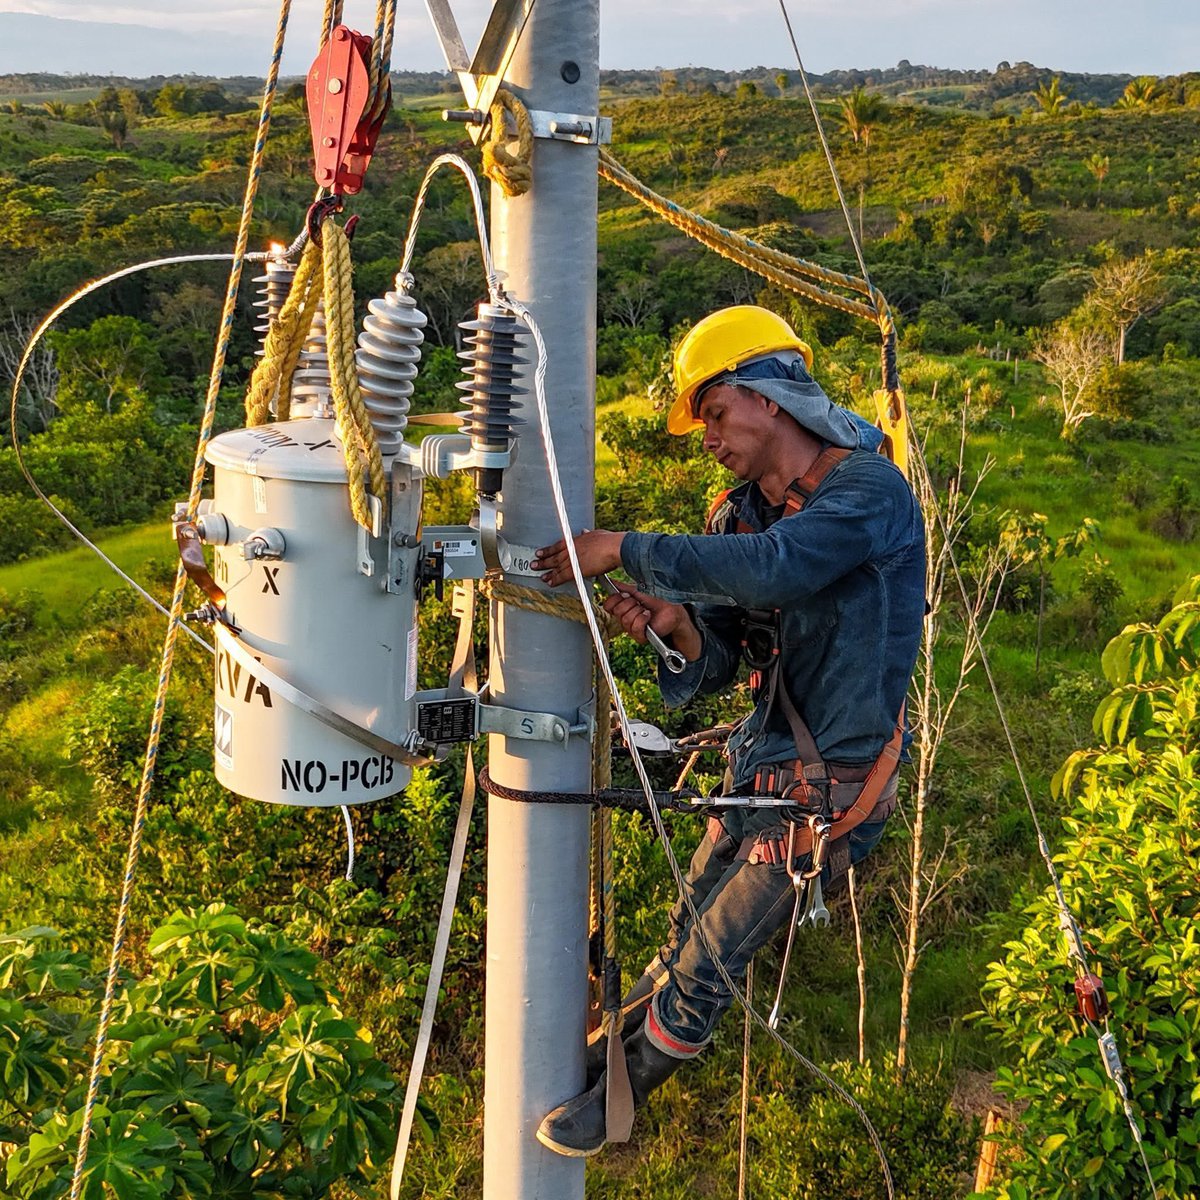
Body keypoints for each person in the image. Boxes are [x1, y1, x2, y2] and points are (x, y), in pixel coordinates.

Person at [530, 305, 926, 1158]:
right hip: (764, 769)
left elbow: (781, 570)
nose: (707, 437)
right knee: (682, 935)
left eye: (714, 413)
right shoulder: (737, 514)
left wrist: (626, 549)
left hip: (831, 792)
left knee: (708, 963)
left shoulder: (869, 491)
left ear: (771, 399)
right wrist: (676, 624)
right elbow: (729, 651)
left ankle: (619, 1099)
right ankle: (608, 1060)